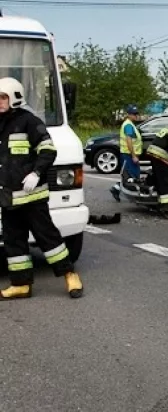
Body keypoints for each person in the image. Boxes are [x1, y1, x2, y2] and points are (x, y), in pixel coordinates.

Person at [0, 77, 83, 299]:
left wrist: (36, 174)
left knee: (49, 238)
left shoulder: (29, 121)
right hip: (8, 197)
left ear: (15, 97)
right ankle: (21, 284)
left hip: (31, 196)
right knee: (13, 243)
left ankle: (70, 275)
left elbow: (48, 150)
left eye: (3, 97)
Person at [120, 104, 143, 180]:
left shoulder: (130, 124)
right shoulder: (128, 125)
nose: (136, 116)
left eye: (137, 114)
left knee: (133, 176)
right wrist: (133, 156)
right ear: (128, 115)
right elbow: (129, 141)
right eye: (134, 114)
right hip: (129, 155)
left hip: (130, 155)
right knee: (131, 177)